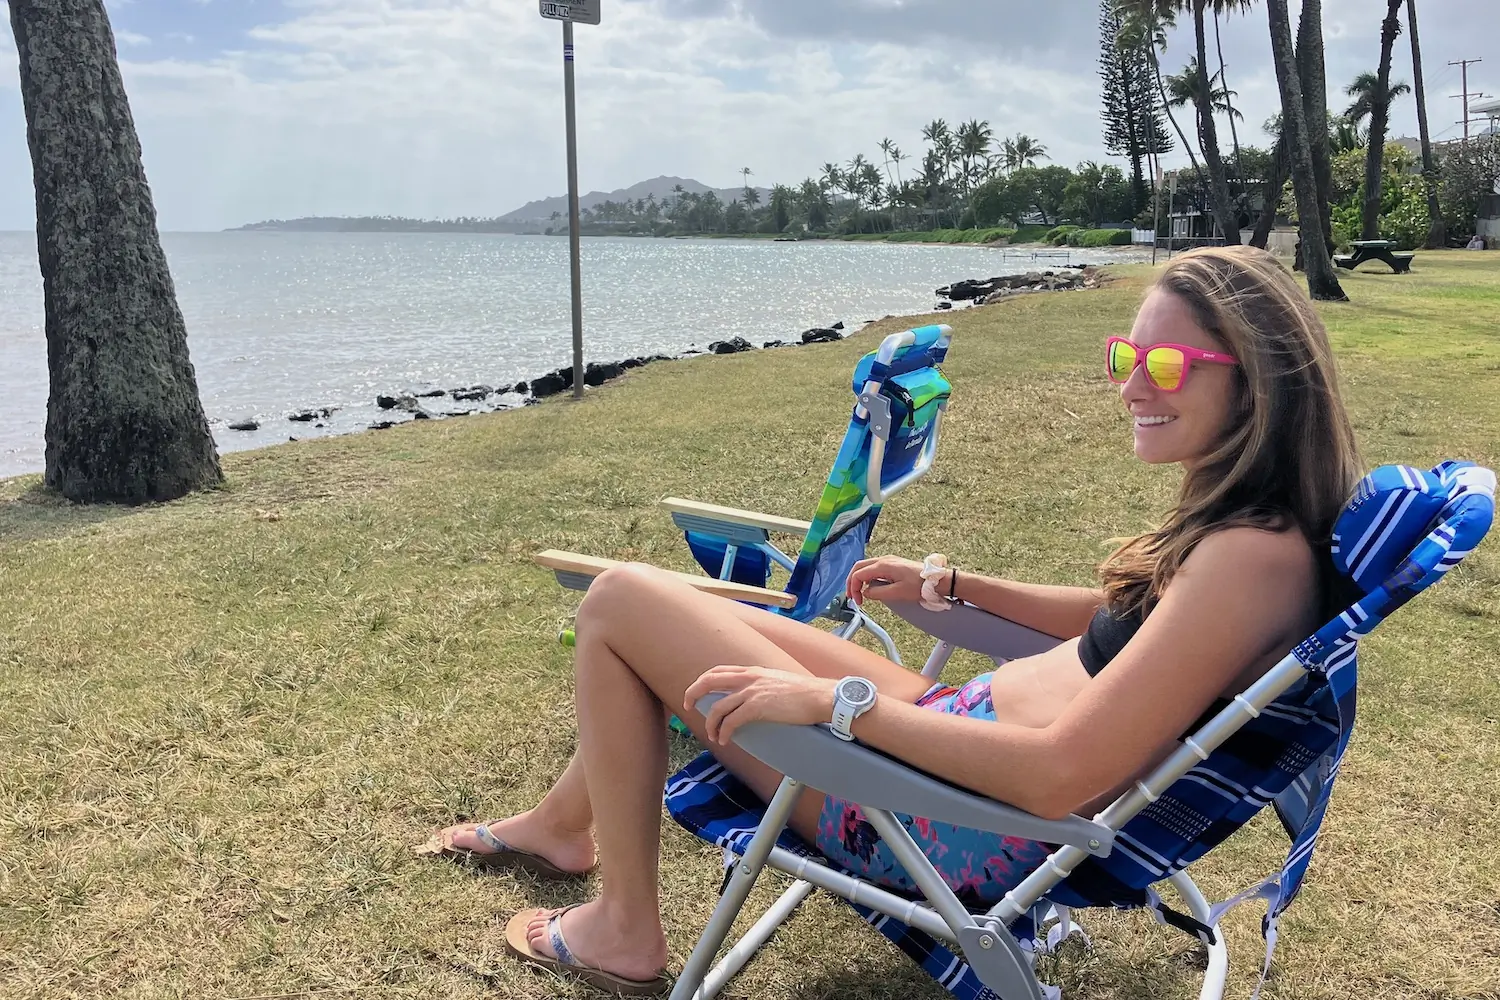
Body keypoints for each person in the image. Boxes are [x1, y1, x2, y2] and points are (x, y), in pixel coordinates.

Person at [417, 245, 1363, 996]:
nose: (1130, 386)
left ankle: (624, 925)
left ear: (1259, 381)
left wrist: (838, 707)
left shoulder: (1253, 559)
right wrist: (960, 587)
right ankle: (560, 825)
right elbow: (1126, 624)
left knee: (622, 600)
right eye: (1126, 355)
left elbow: (1057, 773)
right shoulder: (1251, 533)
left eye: (1167, 363)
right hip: (958, 737)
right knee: (678, 612)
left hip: (943, 817)